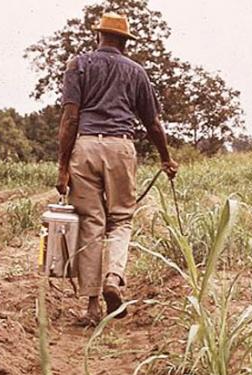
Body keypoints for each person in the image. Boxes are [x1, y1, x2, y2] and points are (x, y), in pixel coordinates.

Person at [55, 12, 179, 326]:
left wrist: (62, 168)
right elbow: (152, 123)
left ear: (99, 36)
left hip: (85, 147)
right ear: (125, 41)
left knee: (91, 224)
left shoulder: (78, 65)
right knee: (122, 218)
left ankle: (93, 307)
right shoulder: (136, 72)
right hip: (121, 147)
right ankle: (114, 276)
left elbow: (69, 119)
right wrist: (166, 158)